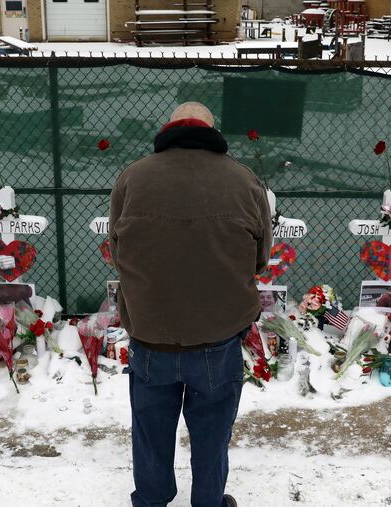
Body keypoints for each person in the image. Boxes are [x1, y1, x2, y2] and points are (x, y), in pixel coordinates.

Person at [109, 102, 272, 507]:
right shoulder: (244, 181)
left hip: (151, 335)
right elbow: (260, 257)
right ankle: (209, 501)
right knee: (213, 433)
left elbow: (116, 248)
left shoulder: (133, 178)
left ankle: (152, 499)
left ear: (169, 129)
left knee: (149, 432)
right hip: (217, 338)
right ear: (210, 131)